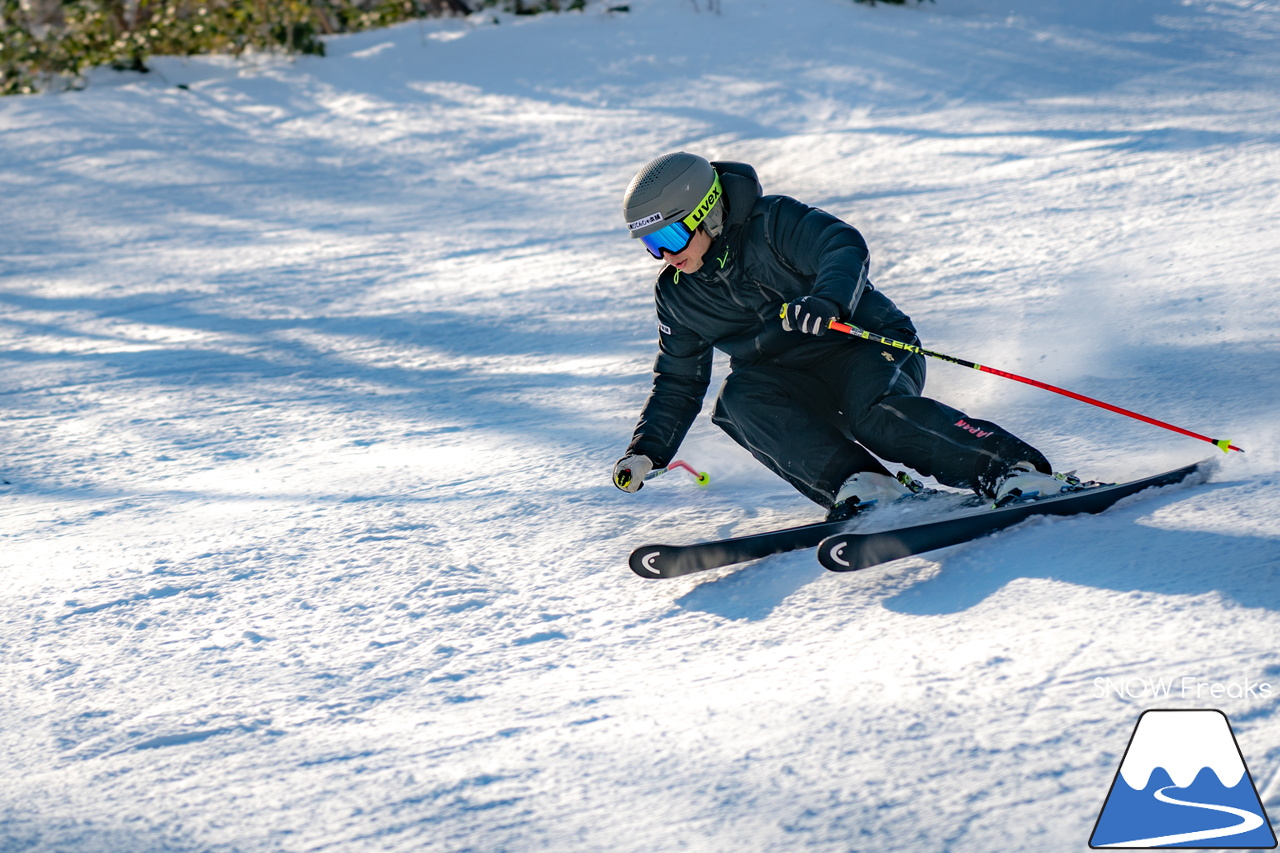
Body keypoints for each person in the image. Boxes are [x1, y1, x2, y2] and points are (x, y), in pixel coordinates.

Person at [611, 152, 1080, 521]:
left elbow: (841, 243)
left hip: (863, 344)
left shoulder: (773, 222)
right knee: (736, 401)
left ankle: (1011, 469)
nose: (665, 256)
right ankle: (862, 484)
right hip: (791, 379)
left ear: (707, 211)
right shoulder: (677, 294)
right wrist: (647, 451)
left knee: (873, 415)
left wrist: (826, 301)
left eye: (670, 236)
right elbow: (678, 381)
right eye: (651, 246)